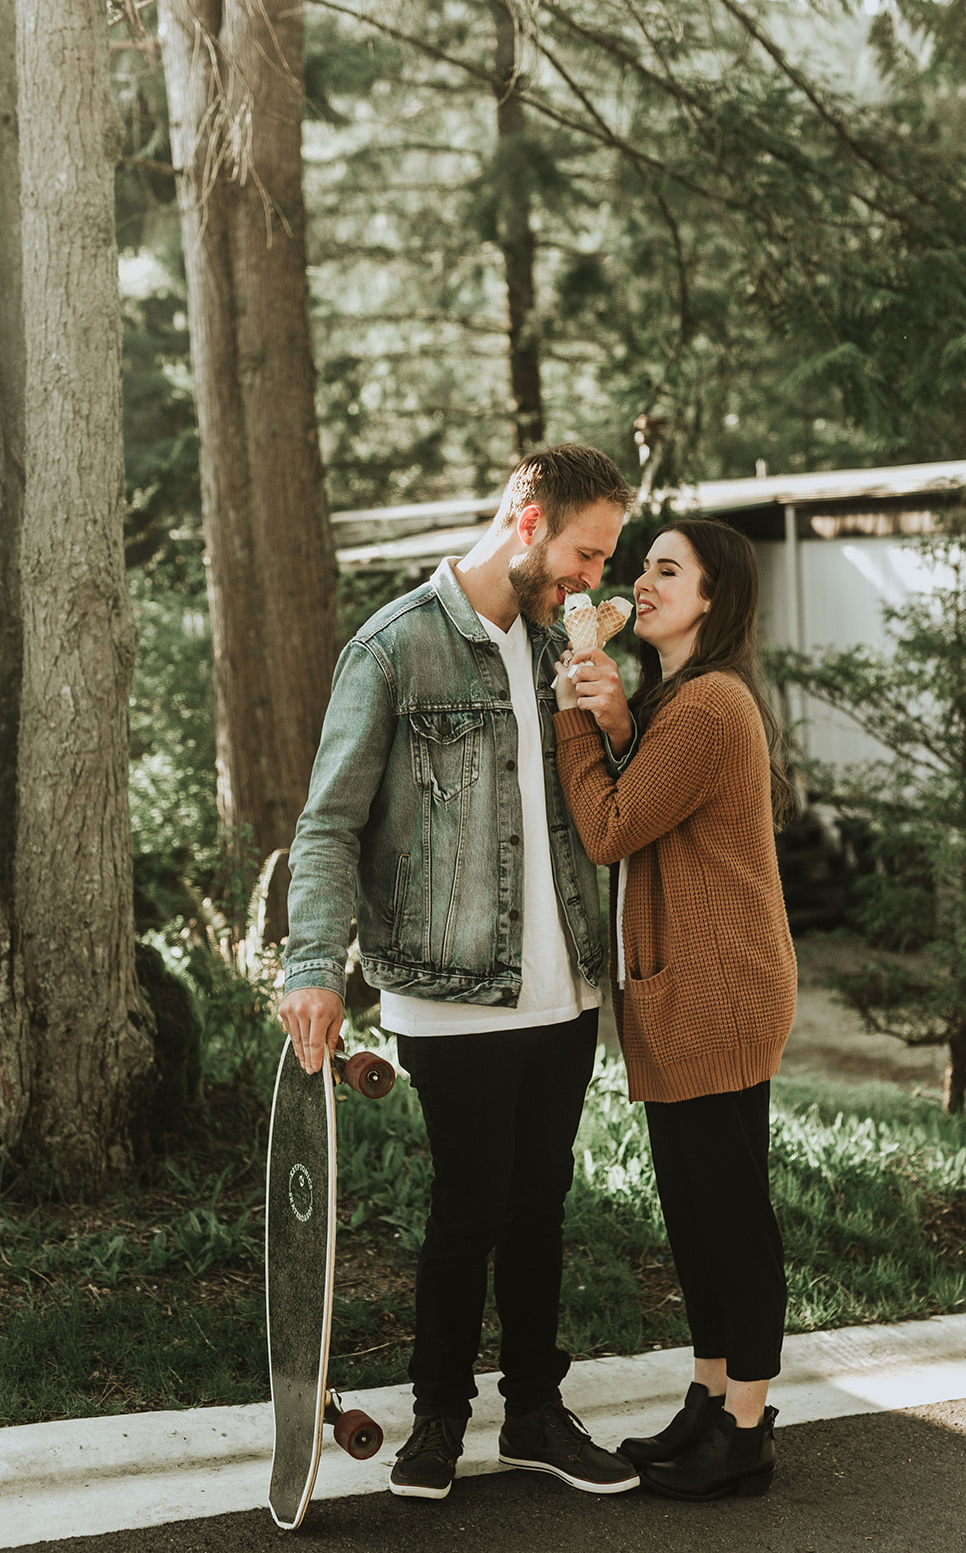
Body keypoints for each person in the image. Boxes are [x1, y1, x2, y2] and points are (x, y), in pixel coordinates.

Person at [279, 444, 641, 1502]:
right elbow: (328, 825)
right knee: (466, 1206)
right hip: (448, 991)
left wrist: (612, 717)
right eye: (585, 553)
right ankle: (437, 1413)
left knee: (539, 1203)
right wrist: (314, 966)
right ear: (526, 520)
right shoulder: (390, 649)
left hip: (561, 985)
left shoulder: (556, 649)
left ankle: (533, 1408)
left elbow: (606, 801)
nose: (594, 579)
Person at [552, 515, 796, 1502]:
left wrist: (577, 693)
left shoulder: (707, 707)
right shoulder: (684, 701)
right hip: (687, 989)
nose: (638, 583)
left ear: (712, 596)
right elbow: (645, 788)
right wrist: (613, 719)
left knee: (730, 1215)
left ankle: (745, 1429)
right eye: (640, 567)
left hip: (715, 992)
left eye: (664, 570)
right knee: (695, 1212)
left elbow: (611, 825)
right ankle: (706, 1397)